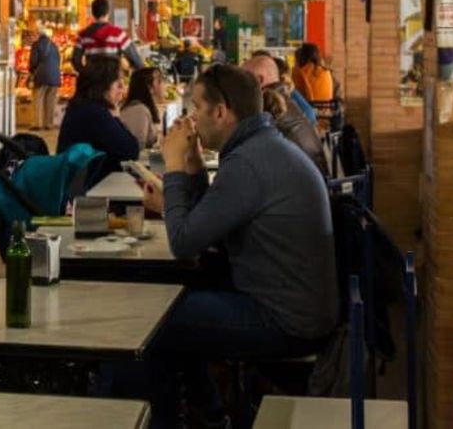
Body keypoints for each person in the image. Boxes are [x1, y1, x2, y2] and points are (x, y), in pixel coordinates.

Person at [139, 64, 339, 426]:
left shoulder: (249, 163)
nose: (192, 118)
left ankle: (189, 418)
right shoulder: (261, 147)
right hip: (296, 304)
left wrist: (172, 167)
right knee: (175, 304)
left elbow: (184, 242)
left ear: (221, 112)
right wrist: (195, 164)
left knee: (155, 325)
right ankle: (210, 413)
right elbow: (206, 224)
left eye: (196, 108)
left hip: (283, 319)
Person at [243, 54, 329, 177]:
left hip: (300, 189)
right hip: (313, 185)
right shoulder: (287, 103)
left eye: (242, 80)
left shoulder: (268, 108)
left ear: (259, 80)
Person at [57, 56, 139, 182]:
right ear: (103, 86)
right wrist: (116, 117)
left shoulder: (82, 108)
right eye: (118, 84)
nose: (122, 89)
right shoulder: (94, 113)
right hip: (91, 191)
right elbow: (131, 150)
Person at [71, 0, 144, 73]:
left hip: (92, 82)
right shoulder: (118, 34)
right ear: (108, 13)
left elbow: (75, 60)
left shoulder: (83, 35)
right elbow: (134, 58)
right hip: (112, 81)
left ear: (92, 13)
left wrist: (85, 73)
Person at [27, 27, 62, 131]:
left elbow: (33, 61)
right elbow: (58, 60)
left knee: (38, 99)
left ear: (39, 34)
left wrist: (32, 71)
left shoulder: (36, 45)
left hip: (41, 76)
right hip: (55, 77)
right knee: (50, 101)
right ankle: (49, 124)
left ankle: (38, 124)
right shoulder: (54, 46)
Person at [120, 67, 164, 148]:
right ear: (149, 87)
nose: (163, 85)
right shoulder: (139, 110)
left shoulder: (141, 108)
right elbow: (138, 148)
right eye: (159, 81)